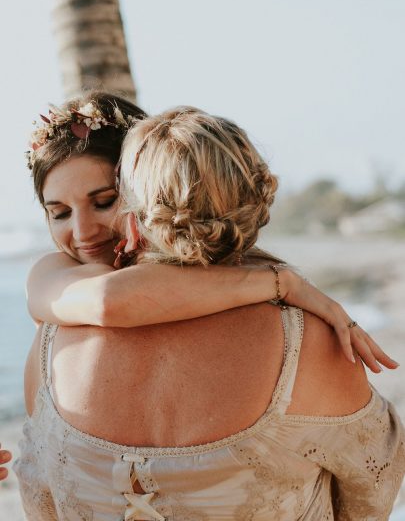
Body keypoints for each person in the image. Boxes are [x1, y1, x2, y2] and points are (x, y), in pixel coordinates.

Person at [14, 105, 404, 520]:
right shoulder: (309, 344)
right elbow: (371, 494)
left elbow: (41, 500)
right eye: (58, 213)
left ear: (134, 208)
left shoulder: (50, 347)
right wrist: (283, 283)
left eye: (105, 201)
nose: (84, 233)